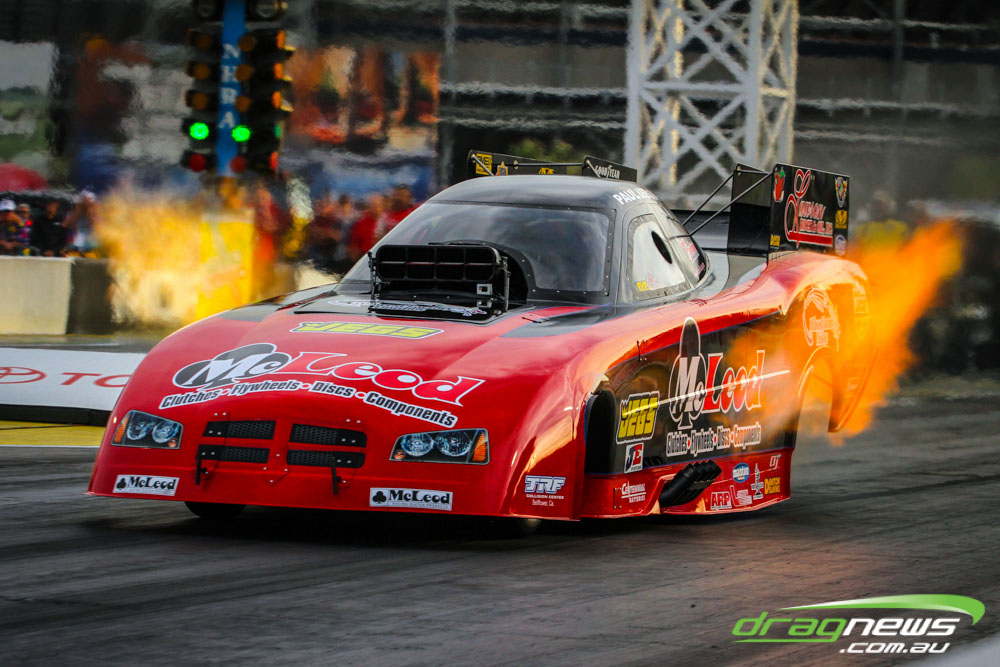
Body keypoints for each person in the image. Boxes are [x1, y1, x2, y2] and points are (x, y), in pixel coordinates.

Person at [347, 193, 386, 261]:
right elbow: (355, 244)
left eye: (378, 205)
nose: (376, 209)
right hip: (366, 257)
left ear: (383, 206)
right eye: (373, 205)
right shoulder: (361, 223)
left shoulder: (388, 221)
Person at [63, 191, 100, 257]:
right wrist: (78, 211)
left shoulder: (96, 215)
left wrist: (91, 212)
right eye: (84, 203)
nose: (86, 206)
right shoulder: (74, 213)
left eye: (89, 204)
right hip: (75, 246)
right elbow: (65, 225)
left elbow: (100, 228)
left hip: (91, 246)